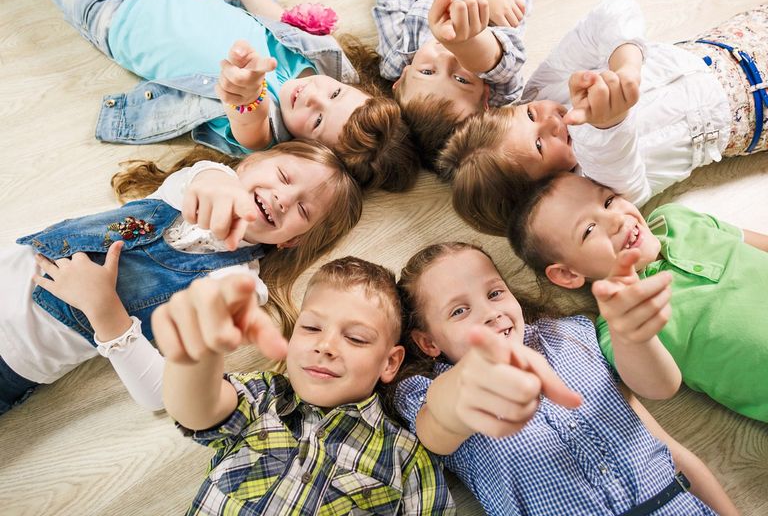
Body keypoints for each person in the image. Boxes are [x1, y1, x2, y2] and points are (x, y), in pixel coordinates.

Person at [0, 0, 419, 192]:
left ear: (307, 148)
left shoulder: (265, 133)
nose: (313, 96)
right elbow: (276, 17)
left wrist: (247, 93)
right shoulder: (321, 61)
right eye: (335, 93)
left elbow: (248, 116)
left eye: (317, 120)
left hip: (111, 15)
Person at [0, 140, 362, 416]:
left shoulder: (236, 286)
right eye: (283, 177)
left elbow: (164, 394)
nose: (284, 197)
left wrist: (104, 311)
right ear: (249, 163)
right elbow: (208, 175)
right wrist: (218, 180)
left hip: (13, 357)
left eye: (303, 209)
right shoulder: (187, 189)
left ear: (291, 241)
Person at [394, 241, 739, 516]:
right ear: (429, 343)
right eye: (459, 311)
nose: (490, 312)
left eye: (495, 293)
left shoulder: (571, 336)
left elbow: (669, 449)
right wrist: (466, 388)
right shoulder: (426, 393)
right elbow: (437, 425)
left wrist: (634, 333)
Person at [152, 257, 456, 515]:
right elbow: (195, 411)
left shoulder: (405, 457)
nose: (325, 345)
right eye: (311, 328)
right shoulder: (263, 397)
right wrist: (197, 349)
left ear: (389, 363)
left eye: (355, 338)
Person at [440, 0, 768, 234]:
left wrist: (627, 65)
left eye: (528, 115)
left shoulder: (542, 92)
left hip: (732, 42)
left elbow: (614, 12)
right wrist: (608, 123)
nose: (551, 120)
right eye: (539, 145)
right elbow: (610, 154)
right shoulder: (598, 188)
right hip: (758, 110)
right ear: (545, 192)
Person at [506, 172, 768, 422]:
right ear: (567, 274)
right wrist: (632, 333)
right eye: (589, 230)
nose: (616, 220)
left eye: (608, 201)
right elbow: (660, 387)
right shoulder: (618, 329)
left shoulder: (675, 219)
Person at [372, 0, 540, 167]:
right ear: (486, 100)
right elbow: (507, 59)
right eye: (461, 79)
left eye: (427, 72)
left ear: (402, 77)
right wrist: (467, 44)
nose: (446, 58)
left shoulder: (397, 53)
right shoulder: (499, 87)